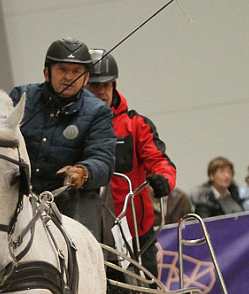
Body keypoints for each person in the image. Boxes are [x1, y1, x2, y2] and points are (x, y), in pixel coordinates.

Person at [9, 37, 116, 241]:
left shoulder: (98, 112)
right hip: (17, 196)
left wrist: (83, 172)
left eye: (76, 72)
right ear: (47, 73)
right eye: (62, 69)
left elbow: (103, 159)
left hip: (67, 201)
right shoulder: (21, 97)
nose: (69, 77)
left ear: (86, 78)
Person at [84, 49, 176, 273]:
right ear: (84, 87)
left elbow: (159, 160)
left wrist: (164, 180)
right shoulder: (74, 129)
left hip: (136, 231)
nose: (102, 92)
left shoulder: (136, 124)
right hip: (91, 235)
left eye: (107, 85)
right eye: (95, 86)